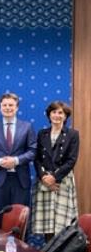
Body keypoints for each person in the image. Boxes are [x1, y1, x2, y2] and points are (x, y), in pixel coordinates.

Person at [0, 93, 36, 226]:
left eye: (11, 105)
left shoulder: (27, 127)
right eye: (4, 105)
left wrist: (16, 160)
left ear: (17, 107)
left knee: (20, 219)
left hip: (20, 179)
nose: (8, 108)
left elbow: (33, 151)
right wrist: (0, 161)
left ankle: (19, 246)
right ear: (0, 107)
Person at [32, 101, 79, 241]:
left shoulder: (72, 134)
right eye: (54, 112)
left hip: (62, 181)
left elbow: (71, 160)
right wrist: (44, 178)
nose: (57, 115)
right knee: (47, 225)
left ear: (65, 116)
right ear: (49, 114)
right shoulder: (42, 134)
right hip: (44, 181)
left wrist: (54, 178)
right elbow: (37, 159)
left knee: (62, 223)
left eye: (60, 113)